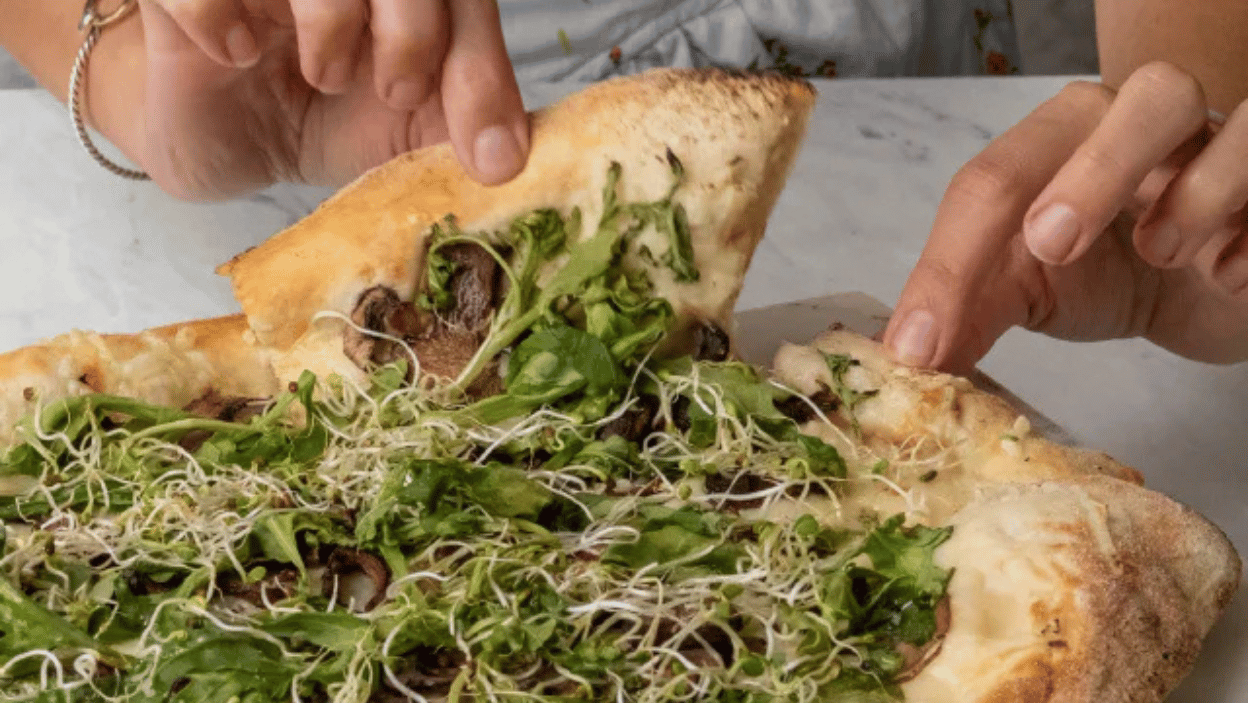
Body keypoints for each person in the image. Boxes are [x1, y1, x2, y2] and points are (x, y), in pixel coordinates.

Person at [2, 1, 1244, 369]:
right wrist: (118, 68)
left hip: (933, 141)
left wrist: (1195, 179)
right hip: (338, 142)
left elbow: (1194, 74)